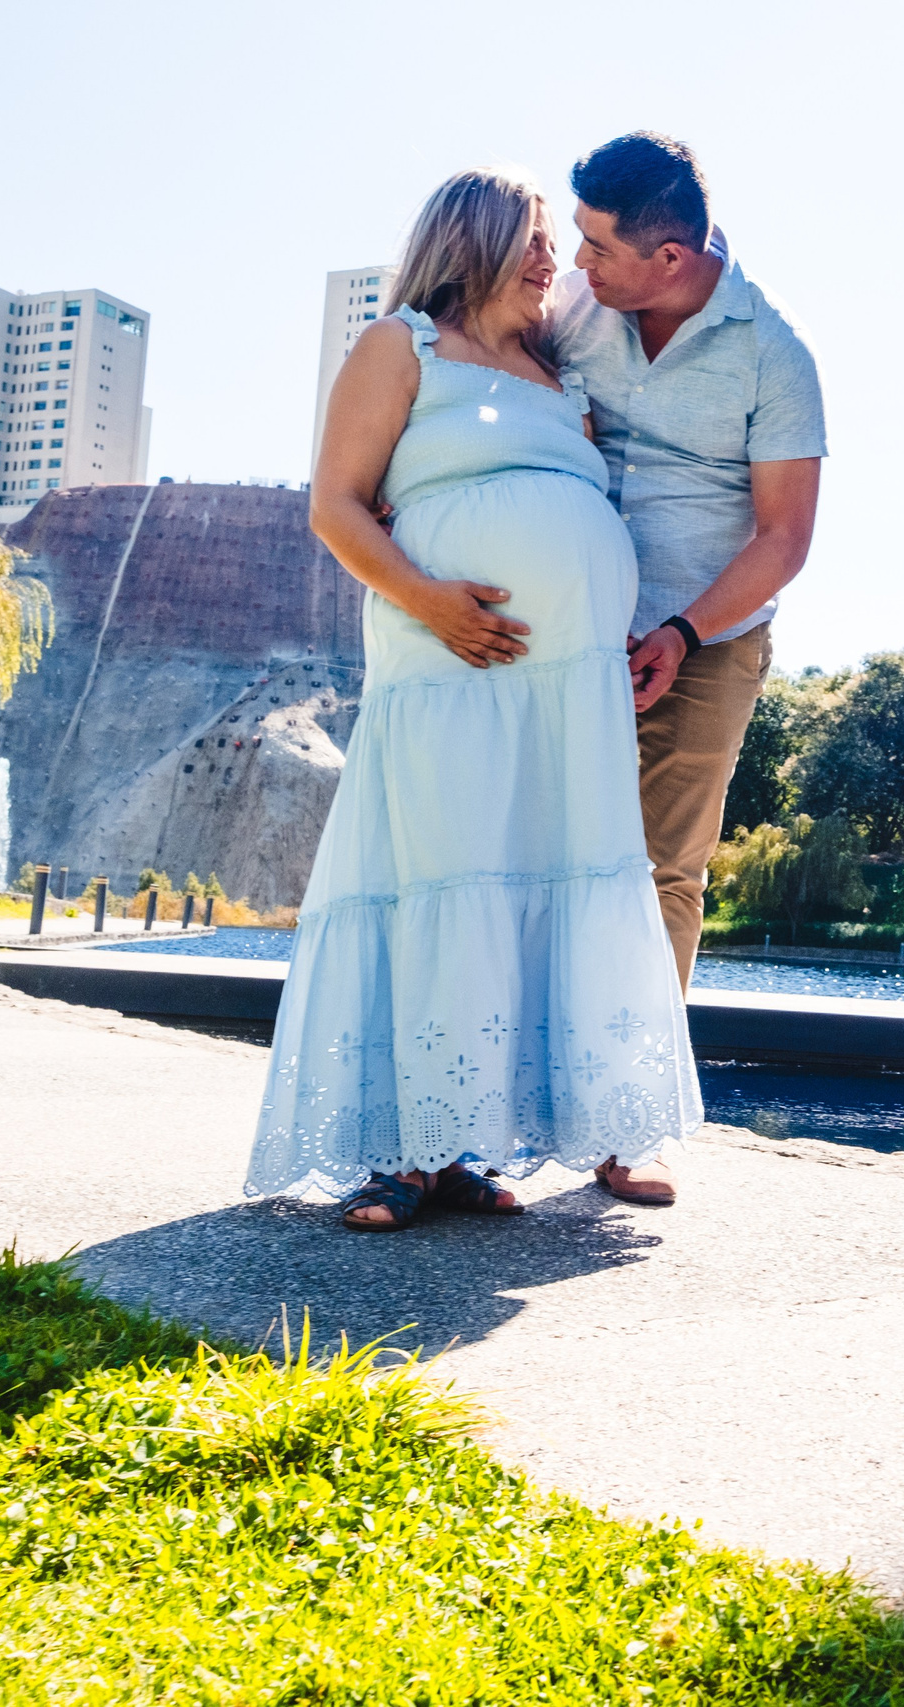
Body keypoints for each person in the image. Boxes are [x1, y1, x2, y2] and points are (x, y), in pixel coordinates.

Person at [245, 168, 700, 1229]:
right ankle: (404, 1155)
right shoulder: (400, 344)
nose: (554, 260)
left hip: (565, 690)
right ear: (474, 240)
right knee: (441, 875)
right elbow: (335, 506)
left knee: (539, 877)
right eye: (535, 237)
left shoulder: (560, 376)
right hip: (447, 663)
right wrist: (429, 600)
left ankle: (476, 1145)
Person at [552, 132, 826, 996]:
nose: (577, 260)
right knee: (538, 855)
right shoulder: (569, 305)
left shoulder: (776, 351)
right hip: (562, 620)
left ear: (669, 257)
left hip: (707, 642)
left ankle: (634, 1084)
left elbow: (784, 537)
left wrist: (681, 632)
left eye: (597, 246)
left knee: (665, 869)